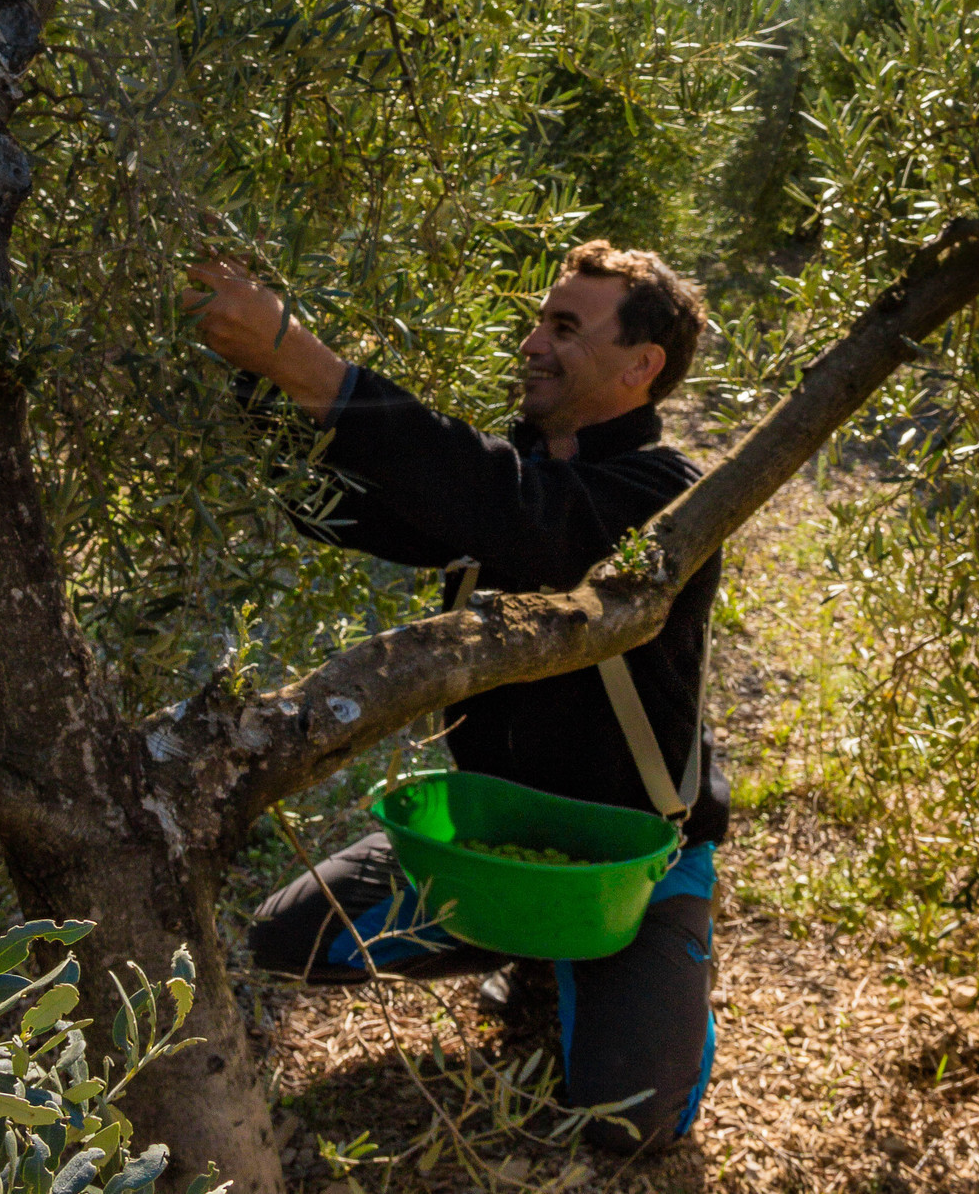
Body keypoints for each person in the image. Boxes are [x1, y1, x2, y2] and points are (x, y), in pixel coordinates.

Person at [187, 240, 725, 1161]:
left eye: (566, 327)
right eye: (538, 321)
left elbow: (514, 511)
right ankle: (530, 948)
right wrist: (248, 368)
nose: (533, 343)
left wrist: (295, 350)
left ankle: (621, 961)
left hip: (630, 862)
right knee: (292, 940)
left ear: (643, 368)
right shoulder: (504, 471)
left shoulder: (666, 496)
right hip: (492, 843)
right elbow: (332, 500)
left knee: (626, 1119)